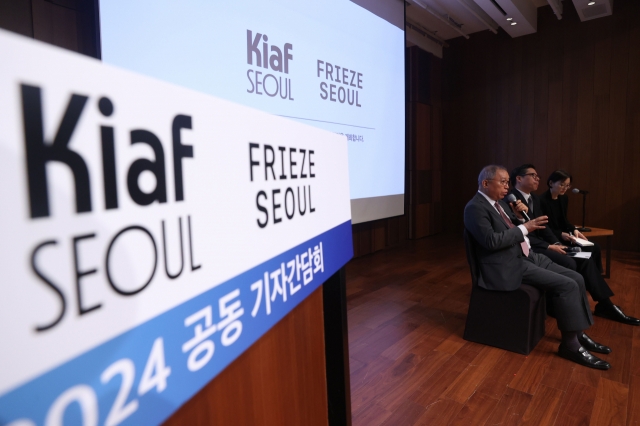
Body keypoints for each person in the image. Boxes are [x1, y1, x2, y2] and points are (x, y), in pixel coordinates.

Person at [464, 165, 611, 370]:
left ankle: (577, 333)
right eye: (503, 182)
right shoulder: (475, 207)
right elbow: (491, 241)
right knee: (567, 285)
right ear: (485, 183)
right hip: (507, 265)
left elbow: (512, 228)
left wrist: (518, 216)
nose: (508, 186)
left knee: (577, 278)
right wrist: (525, 226)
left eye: (508, 182)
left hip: (526, 255)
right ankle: (570, 345)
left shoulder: (500, 204)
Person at [510, 164, 638, 326]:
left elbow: (545, 227)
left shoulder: (534, 198)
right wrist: (550, 246)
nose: (538, 179)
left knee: (585, 256)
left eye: (538, 176)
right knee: (570, 261)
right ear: (519, 179)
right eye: (533, 175)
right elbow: (517, 233)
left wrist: (556, 242)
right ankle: (562, 305)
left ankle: (605, 304)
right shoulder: (511, 199)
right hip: (533, 248)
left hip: (546, 243)